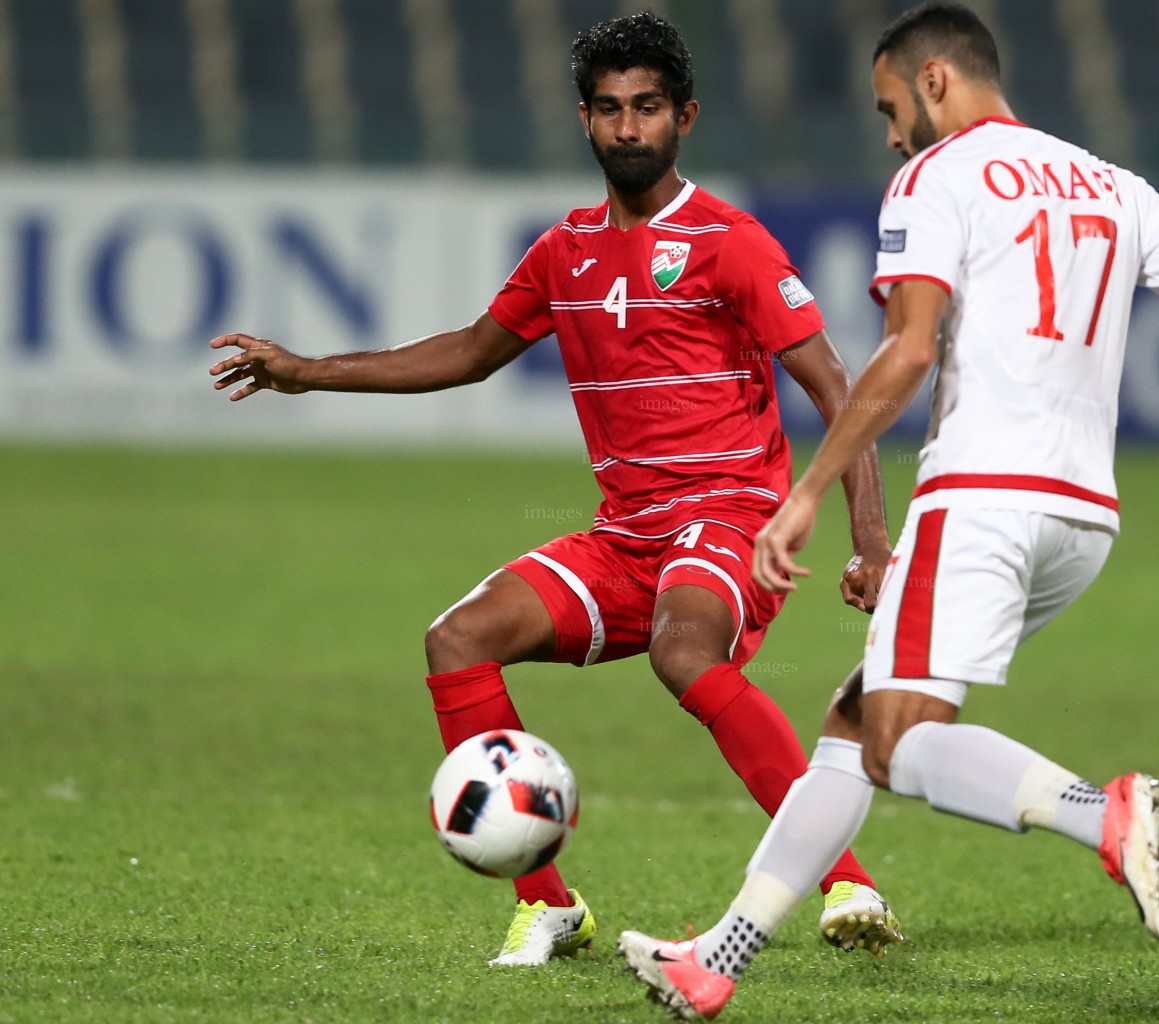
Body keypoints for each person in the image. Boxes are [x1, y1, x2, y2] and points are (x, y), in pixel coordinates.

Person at [618, 2, 1159, 1017]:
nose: (889, 134)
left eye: (890, 106)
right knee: (848, 729)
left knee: (896, 744)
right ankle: (719, 956)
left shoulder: (935, 177)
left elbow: (909, 350)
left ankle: (1102, 812)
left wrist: (804, 497)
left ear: (934, 81)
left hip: (980, 499)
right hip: (1083, 520)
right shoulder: (1116, 185)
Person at [207, 12, 903, 968]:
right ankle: (549, 906)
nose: (628, 128)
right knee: (457, 640)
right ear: (585, 120)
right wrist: (308, 370)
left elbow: (842, 392)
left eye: (647, 108)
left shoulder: (728, 242)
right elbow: (469, 352)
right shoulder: (563, 251)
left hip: (730, 516)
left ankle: (848, 880)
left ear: (684, 116)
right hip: (625, 538)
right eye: (610, 110)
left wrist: (869, 539)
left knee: (683, 652)